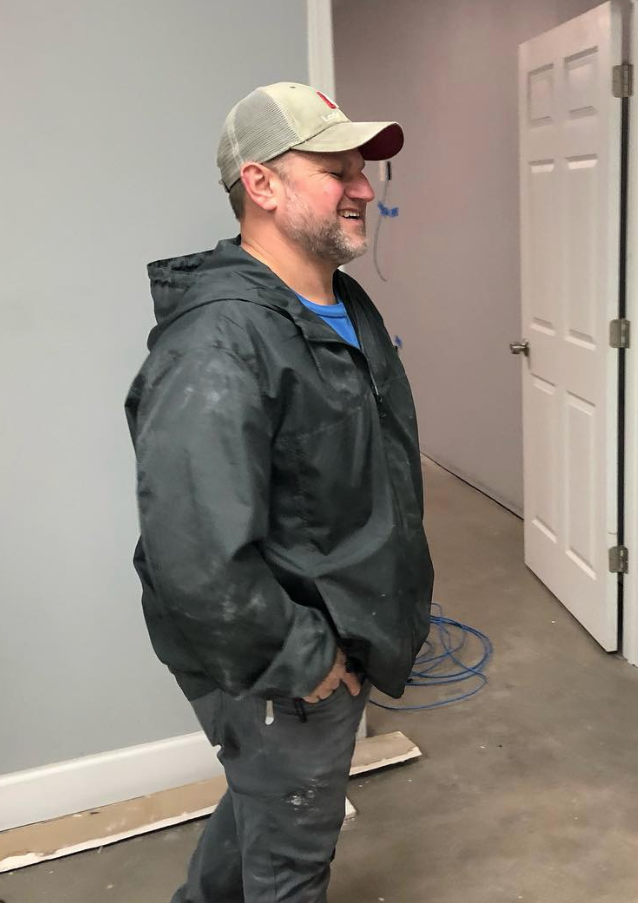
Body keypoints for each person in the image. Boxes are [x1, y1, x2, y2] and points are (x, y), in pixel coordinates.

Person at [125, 82, 434, 903]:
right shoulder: (219, 342)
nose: (364, 185)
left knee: (263, 805)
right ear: (260, 185)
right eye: (336, 168)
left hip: (333, 636)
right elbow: (195, 555)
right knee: (292, 862)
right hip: (281, 663)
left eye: (362, 167)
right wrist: (307, 659)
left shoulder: (337, 303)